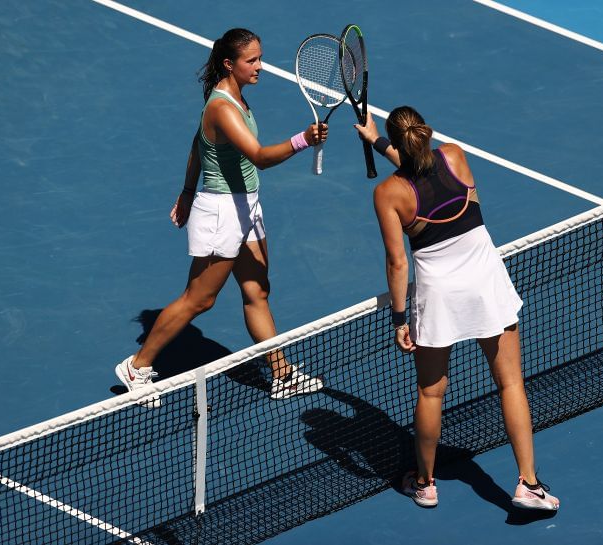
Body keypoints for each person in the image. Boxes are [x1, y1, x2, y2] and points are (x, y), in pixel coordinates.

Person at [354, 106, 559, 511]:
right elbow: (423, 168)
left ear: (398, 143)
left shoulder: (387, 194)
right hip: (487, 286)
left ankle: (426, 484)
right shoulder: (456, 156)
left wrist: (400, 319)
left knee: (431, 393)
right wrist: (377, 141)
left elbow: (397, 263)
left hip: (439, 298)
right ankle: (529, 485)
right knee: (511, 384)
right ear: (425, 136)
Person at [116, 28, 325, 402]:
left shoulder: (236, 98)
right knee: (199, 298)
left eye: (260, 57)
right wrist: (302, 141)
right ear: (230, 64)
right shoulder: (222, 108)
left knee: (257, 290)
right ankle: (138, 365)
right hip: (221, 212)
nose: (260, 66)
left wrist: (184, 191)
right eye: (252, 60)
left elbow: (197, 147)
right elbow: (259, 156)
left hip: (247, 206)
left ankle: (281, 374)